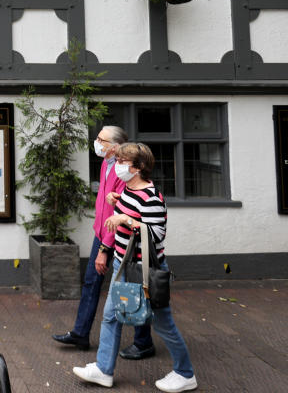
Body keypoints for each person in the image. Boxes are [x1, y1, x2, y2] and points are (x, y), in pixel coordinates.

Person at [73, 143, 197, 393]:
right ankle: (104, 370)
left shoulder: (152, 197)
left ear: (139, 167)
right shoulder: (129, 190)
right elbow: (133, 214)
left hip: (143, 271)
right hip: (123, 265)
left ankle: (185, 374)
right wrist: (118, 202)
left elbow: (156, 235)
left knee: (163, 324)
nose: (117, 165)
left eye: (122, 161)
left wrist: (125, 218)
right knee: (110, 317)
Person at [52, 126, 154, 358]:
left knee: (131, 289)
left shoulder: (123, 173)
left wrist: (104, 249)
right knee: (91, 284)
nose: (97, 142)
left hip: (117, 240)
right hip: (102, 234)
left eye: (102, 139)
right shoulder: (105, 164)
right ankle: (80, 333)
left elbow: (121, 212)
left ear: (115, 146)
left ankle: (144, 341)